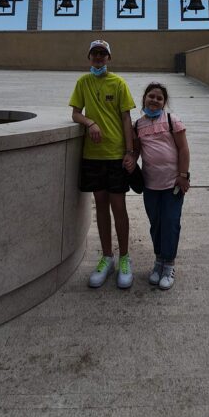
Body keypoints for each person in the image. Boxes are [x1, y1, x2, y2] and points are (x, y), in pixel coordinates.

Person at [69, 39, 136, 289]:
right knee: (101, 206)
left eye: (103, 54)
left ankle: (125, 258)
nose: (98, 57)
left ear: (109, 58)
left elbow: (126, 117)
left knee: (119, 207)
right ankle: (107, 257)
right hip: (93, 156)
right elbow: (75, 112)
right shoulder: (83, 83)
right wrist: (90, 123)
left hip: (115, 155)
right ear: (89, 57)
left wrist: (129, 151)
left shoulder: (118, 83)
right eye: (94, 53)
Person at [133, 81, 190, 291]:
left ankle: (169, 265)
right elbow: (136, 151)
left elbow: (183, 149)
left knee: (171, 222)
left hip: (172, 184)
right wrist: (131, 158)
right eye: (151, 96)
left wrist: (183, 175)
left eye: (159, 98)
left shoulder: (171, 120)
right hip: (150, 185)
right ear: (144, 99)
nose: (154, 100)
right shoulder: (138, 125)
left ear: (164, 103)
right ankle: (158, 261)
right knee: (155, 223)